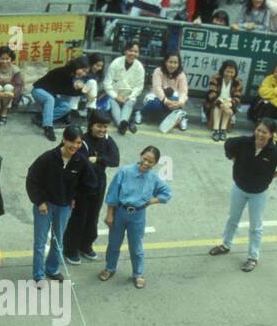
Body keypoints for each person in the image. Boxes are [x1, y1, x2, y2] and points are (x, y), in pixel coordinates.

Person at [210, 119, 277, 272]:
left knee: (255, 227)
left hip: (259, 193)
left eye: (264, 132)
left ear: (271, 135)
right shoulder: (244, 142)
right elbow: (228, 144)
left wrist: (272, 176)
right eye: (258, 130)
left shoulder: (274, 152)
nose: (260, 134)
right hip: (239, 188)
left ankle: (253, 257)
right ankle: (225, 245)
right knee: (232, 219)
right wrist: (234, 159)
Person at [25, 126, 98, 285]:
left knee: (58, 240)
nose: (75, 146)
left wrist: (74, 197)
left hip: (64, 206)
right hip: (45, 206)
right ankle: (38, 275)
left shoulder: (80, 161)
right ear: (64, 139)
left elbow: (91, 183)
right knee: (40, 242)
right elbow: (32, 179)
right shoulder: (48, 158)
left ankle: (52, 269)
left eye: (78, 143)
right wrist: (39, 201)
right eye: (72, 141)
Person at [99, 146, 172, 289]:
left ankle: (138, 274)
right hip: (120, 212)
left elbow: (167, 193)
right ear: (140, 156)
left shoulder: (153, 179)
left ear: (155, 163)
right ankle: (110, 268)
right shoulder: (124, 172)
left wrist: (151, 201)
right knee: (113, 243)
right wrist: (109, 214)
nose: (146, 163)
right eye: (144, 159)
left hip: (138, 215)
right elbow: (112, 193)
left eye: (150, 162)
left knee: (136, 247)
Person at [65, 111, 119, 263]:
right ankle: (70, 249)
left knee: (92, 217)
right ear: (91, 125)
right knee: (78, 218)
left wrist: (98, 159)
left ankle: (86, 245)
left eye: (105, 126)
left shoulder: (108, 140)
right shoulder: (83, 141)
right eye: (99, 126)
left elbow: (115, 160)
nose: (102, 130)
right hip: (82, 185)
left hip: (99, 184)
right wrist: (97, 162)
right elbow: (81, 162)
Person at [30, 56, 90, 142]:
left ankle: (40, 118)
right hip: (38, 91)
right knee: (50, 99)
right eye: (83, 70)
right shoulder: (63, 72)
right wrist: (80, 91)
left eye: (86, 72)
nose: (84, 74)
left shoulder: (71, 74)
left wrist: (79, 89)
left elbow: (65, 90)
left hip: (51, 94)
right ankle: (48, 127)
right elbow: (64, 90)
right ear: (77, 66)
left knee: (66, 106)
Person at [140, 52, 189, 133]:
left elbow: (183, 91)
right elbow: (157, 87)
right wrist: (165, 101)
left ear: (179, 64)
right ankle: (140, 113)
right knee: (155, 104)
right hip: (158, 98)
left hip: (173, 100)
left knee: (176, 101)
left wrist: (180, 102)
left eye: (175, 62)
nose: (172, 65)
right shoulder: (158, 71)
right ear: (165, 62)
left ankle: (181, 117)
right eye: (170, 62)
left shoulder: (181, 75)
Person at [248, 64, 277, 136]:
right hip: (267, 109)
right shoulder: (268, 79)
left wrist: (272, 100)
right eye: (276, 72)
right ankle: (260, 130)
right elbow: (262, 92)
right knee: (267, 105)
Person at [204, 60, 241, 141]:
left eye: (232, 72)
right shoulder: (215, 78)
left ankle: (223, 130)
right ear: (223, 70)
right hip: (214, 101)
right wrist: (221, 104)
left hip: (229, 103)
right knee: (218, 106)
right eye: (227, 71)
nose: (229, 74)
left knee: (227, 104)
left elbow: (237, 97)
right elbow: (211, 94)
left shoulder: (238, 82)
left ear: (235, 72)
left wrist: (229, 104)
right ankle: (216, 130)